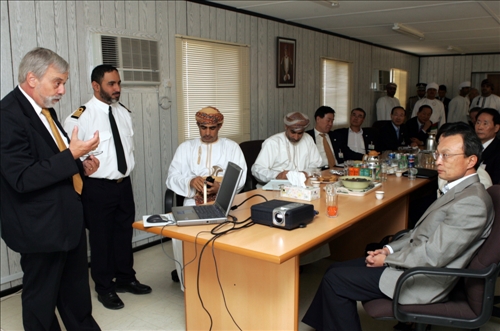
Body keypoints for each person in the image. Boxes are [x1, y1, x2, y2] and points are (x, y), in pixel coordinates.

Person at [302, 122, 494, 331]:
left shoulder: (471, 202)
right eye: (437, 154)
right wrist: (388, 249)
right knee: (334, 268)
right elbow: (420, 233)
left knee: (335, 280)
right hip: (414, 261)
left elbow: (434, 256)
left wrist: (388, 260)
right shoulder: (461, 191)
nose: (437, 161)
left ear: (471, 160)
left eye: (446, 156)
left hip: (423, 277)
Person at [0, 47, 101, 330]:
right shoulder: (7, 115)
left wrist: (80, 165)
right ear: (32, 78)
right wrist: (71, 157)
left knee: (76, 294)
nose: (62, 90)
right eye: (57, 82)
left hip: (68, 219)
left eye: (64, 82)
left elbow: (52, 158)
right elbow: (21, 177)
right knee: (41, 302)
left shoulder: (46, 111)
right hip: (39, 227)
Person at [64, 65, 151, 310]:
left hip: (123, 185)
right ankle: (104, 287)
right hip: (97, 188)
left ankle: (125, 278)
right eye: (111, 84)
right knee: (101, 239)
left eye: (118, 83)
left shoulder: (122, 112)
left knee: (124, 234)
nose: (117, 89)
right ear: (95, 85)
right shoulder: (81, 116)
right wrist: (82, 165)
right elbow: (66, 150)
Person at [166, 106, 247, 288]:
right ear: (198, 126)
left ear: (219, 126)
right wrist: (189, 181)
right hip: (191, 202)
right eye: (203, 127)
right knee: (183, 239)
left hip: (222, 202)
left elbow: (240, 177)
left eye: (212, 128)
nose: (207, 132)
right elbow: (171, 177)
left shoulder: (231, 147)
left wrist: (221, 187)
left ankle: (224, 284)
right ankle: (189, 284)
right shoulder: (185, 148)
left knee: (230, 237)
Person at [252, 112, 322, 183]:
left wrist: (306, 173)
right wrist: (277, 175)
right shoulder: (272, 143)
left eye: (300, 133)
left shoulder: (308, 139)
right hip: (276, 187)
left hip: (302, 185)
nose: (296, 137)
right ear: (286, 127)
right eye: (293, 132)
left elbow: (316, 164)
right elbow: (257, 169)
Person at [475, 108, 500, 184]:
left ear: (496, 128)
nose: (480, 127)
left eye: (485, 124)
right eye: (478, 122)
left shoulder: (498, 150)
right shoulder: (470, 146)